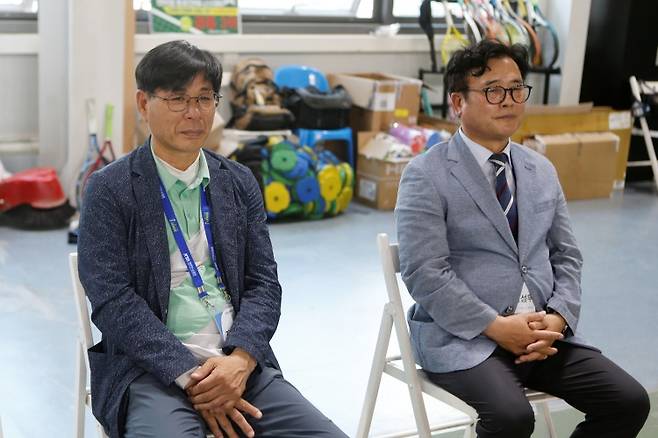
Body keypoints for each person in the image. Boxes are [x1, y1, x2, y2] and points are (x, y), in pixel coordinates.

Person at [78, 40, 348, 438]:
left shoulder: (238, 182)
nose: (194, 113)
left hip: (237, 362)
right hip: (151, 369)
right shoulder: (110, 189)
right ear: (143, 103)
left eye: (204, 98)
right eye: (177, 99)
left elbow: (264, 283)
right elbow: (112, 300)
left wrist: (241, 360)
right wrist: (191, 376)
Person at [395, 39, 650, 438]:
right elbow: (425, 273)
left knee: (629, 402)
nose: (509, 101)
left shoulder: (540, 169)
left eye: (516, 89)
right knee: (512, 418)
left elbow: (567, 256)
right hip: (465, 338)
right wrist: (496, 326)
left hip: (541, 335)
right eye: (493, 91)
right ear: (458, 103)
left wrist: (558, 318)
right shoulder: (425, 174)